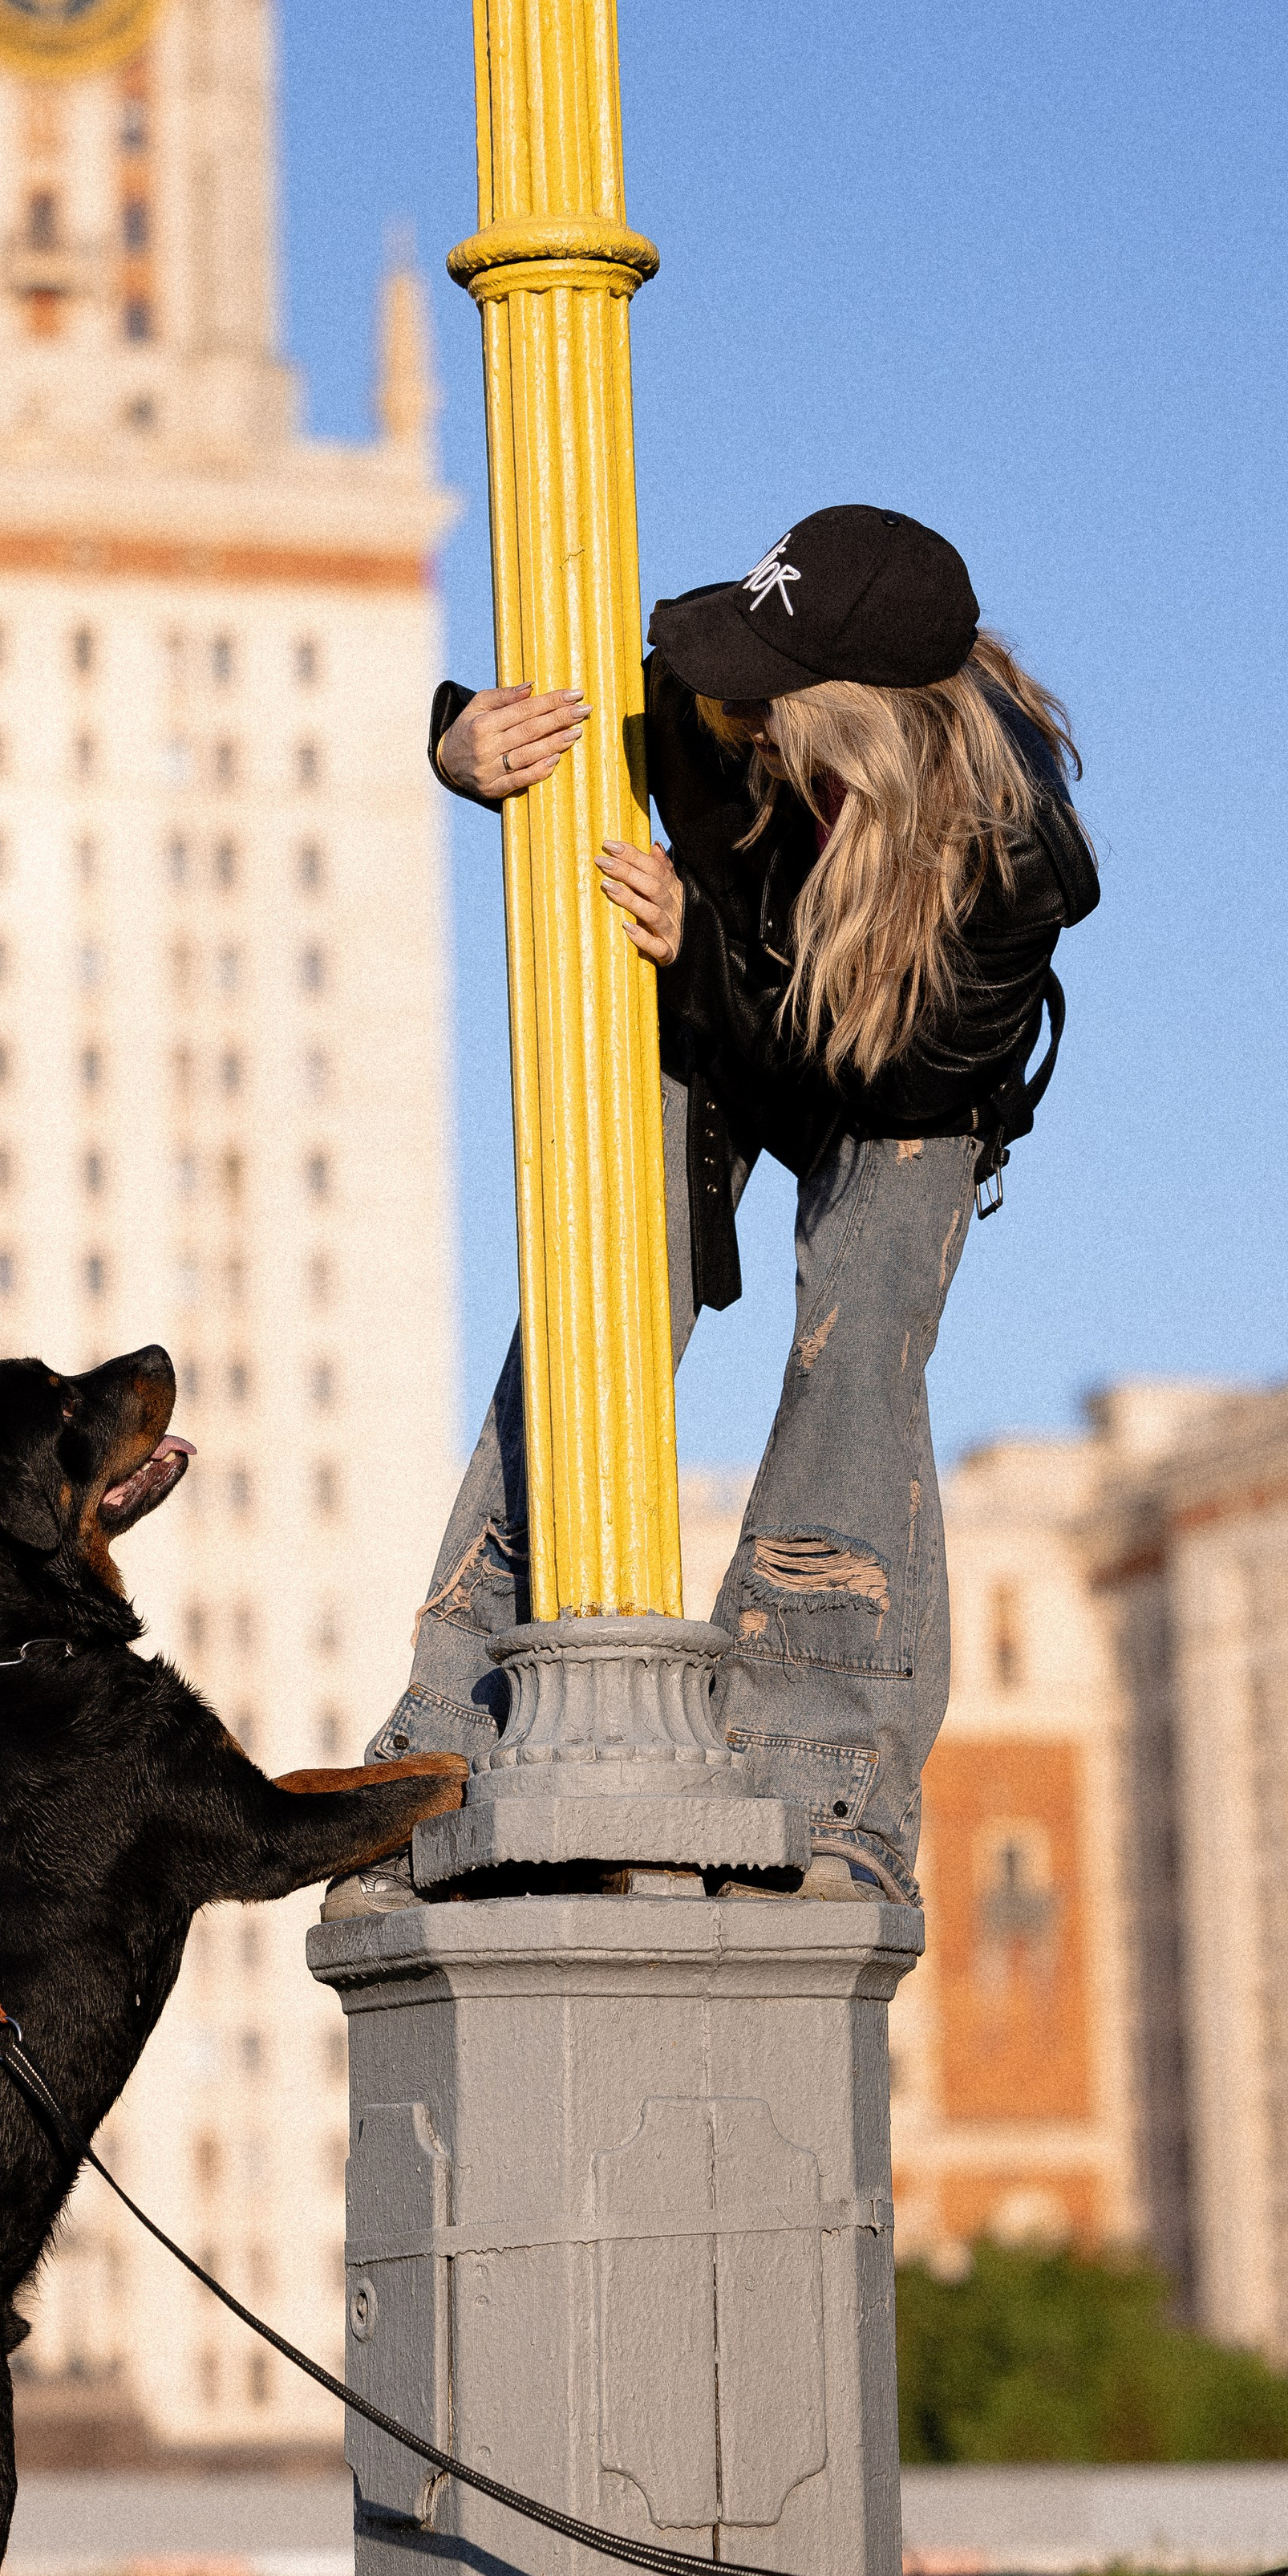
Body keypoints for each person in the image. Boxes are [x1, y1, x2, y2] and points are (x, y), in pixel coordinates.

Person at [327, 503, 1098, 1917]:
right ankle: (446, 1724)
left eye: (764, 685)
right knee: (593, 1292)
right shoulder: (718, 696)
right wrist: (457, 741)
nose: (723, 695)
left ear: (854, 724)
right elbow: (546, 712)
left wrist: (698, 963)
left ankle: (822, 1774)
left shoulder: (1011, 862)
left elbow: (890, 1076)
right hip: (726, 1017)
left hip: (902, 1089)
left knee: (859, 1349)